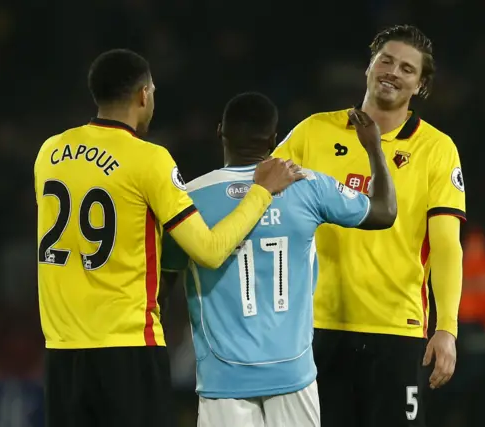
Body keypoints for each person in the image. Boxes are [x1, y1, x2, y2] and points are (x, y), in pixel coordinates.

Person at [34, 50, 303, 427]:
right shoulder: (149, 159)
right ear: (143, 95)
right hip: (126, 348)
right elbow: (209, 250)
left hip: (61, 353)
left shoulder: (49, 152)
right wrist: (261, 191)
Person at [160, 92, 397, 427]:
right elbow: (385, 211)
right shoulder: (309, 186)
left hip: (223, 379)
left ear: (220, 133)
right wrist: (373, 147)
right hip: (294, 372)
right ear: (273, 140)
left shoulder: (189, 199)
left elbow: (160, 291)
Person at [273, 25, 466, 426]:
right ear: (369, 67)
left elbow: (446, 245)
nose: (394, 72)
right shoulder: (313, 132)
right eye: (387, 61)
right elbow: (261, 198)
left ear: (420, 85)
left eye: (408, 69)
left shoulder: (436, 149)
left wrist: (446, 327)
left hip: (397, 329)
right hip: (316, 327)